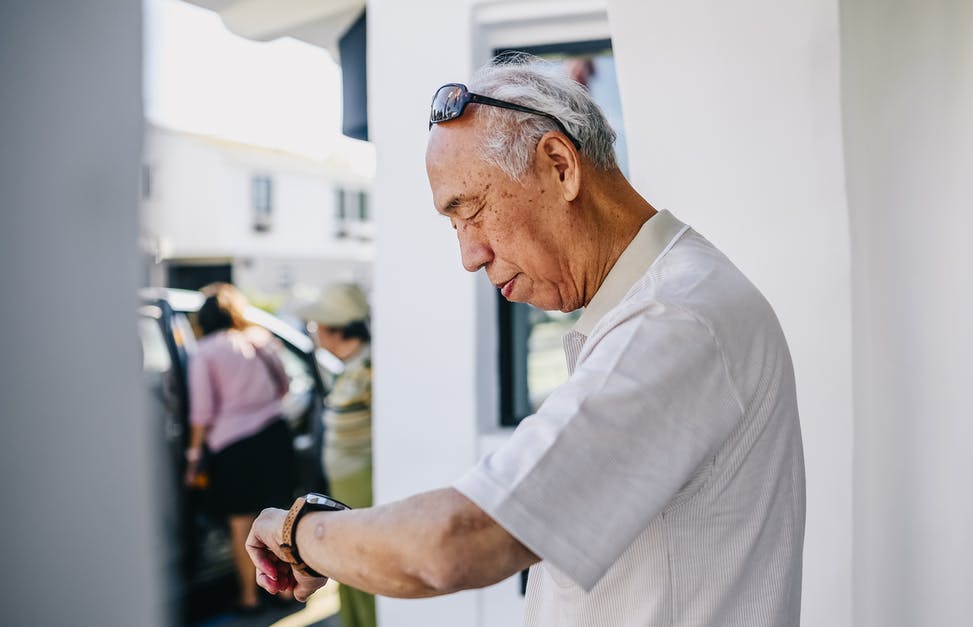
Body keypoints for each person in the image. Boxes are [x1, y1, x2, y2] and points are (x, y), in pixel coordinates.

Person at [247, 56, 806, 626]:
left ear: (560, 165)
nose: (470, 255)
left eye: (472, 211)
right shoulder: (672, 301)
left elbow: (455, 542)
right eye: (455, 225)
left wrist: (299, 533)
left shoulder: (673, 319)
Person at [185, 282, 295, 614]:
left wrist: (193, 458)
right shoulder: (260, 339)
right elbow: (284, 386)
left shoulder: (204, 352)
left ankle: (248, 597)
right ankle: (288, 591)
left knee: (241, 524)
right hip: (274, 436)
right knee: (280, 517)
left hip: (234, 447)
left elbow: (202, 411)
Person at [295, 283, 376, 627]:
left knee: (365, 568)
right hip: (347, 488)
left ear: (334, 327)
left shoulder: (371, 370)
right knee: (350, 568)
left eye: (316, 323)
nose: (313, 331)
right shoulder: (352, 367)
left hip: (365, 488)